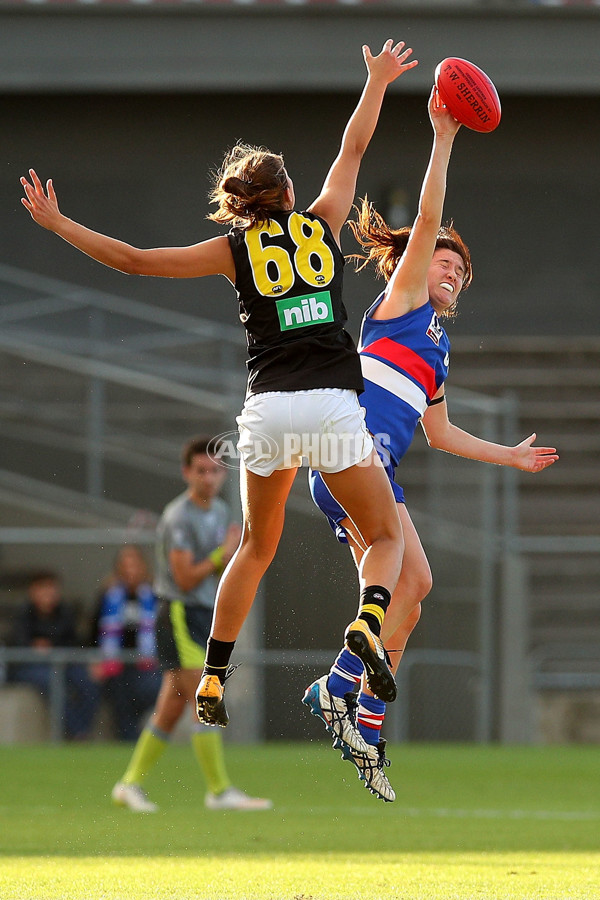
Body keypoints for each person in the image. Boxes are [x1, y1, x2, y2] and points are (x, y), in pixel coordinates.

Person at [20, 39, 419, 734]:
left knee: (254, 550)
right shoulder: (322, 222)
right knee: (384, 535)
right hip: (331, 405)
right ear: (289, 193)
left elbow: (137, 262)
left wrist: (59, 224)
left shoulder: (232, 249)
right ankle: (367, 623)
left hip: (266, 414)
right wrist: (377, 80)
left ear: (240, 204)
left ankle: (212, 673)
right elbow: (353, 149)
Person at [305, 86, 559, 802]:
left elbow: (440, 433)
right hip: (349, 458)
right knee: (402, 582)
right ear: (412, 269)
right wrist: (443, 137)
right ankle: (338, 690)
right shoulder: (402, 300)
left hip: (372, 470)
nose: (450, 269)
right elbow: (423, 219)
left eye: (459, 268)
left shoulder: (436, 352)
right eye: (442, 260)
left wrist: (507, 455)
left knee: (415, 590)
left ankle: (363, 723)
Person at [110, 436, 271, 811]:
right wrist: (222, 555)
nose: (209, 478)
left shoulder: (220, 512)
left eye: (215, 471)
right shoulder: (178, 516)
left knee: (170, 708)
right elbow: (183, 578)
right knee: (207, 697)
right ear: (187, 472)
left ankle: (128, 784)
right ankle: (219, 791)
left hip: (203, 615)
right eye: (201, 470)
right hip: (179, 614)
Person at [9, 570, 100, 740]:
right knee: (52, 680)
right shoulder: (23, 613)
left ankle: (81, 731)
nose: (48, 594)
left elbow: (75, 643)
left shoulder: (65, 612)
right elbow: (18, 643)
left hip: (63, 663)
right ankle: (79, 732)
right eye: (43, 589)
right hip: (30, 667)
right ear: (33, 591)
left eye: (51, 588)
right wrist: (34, 647)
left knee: (88, 681)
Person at [90, 545, 162, 741]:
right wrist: (97, 659)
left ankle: (136, 736)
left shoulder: (155, 595)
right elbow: (93, 631)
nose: (130, 570)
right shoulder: (108, 596)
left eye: (135, 565)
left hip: (147, 663)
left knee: (148, 690)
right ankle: (127, 740)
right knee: (118, 694)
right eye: (125, 565)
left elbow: (164, 630)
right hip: (115, 664)